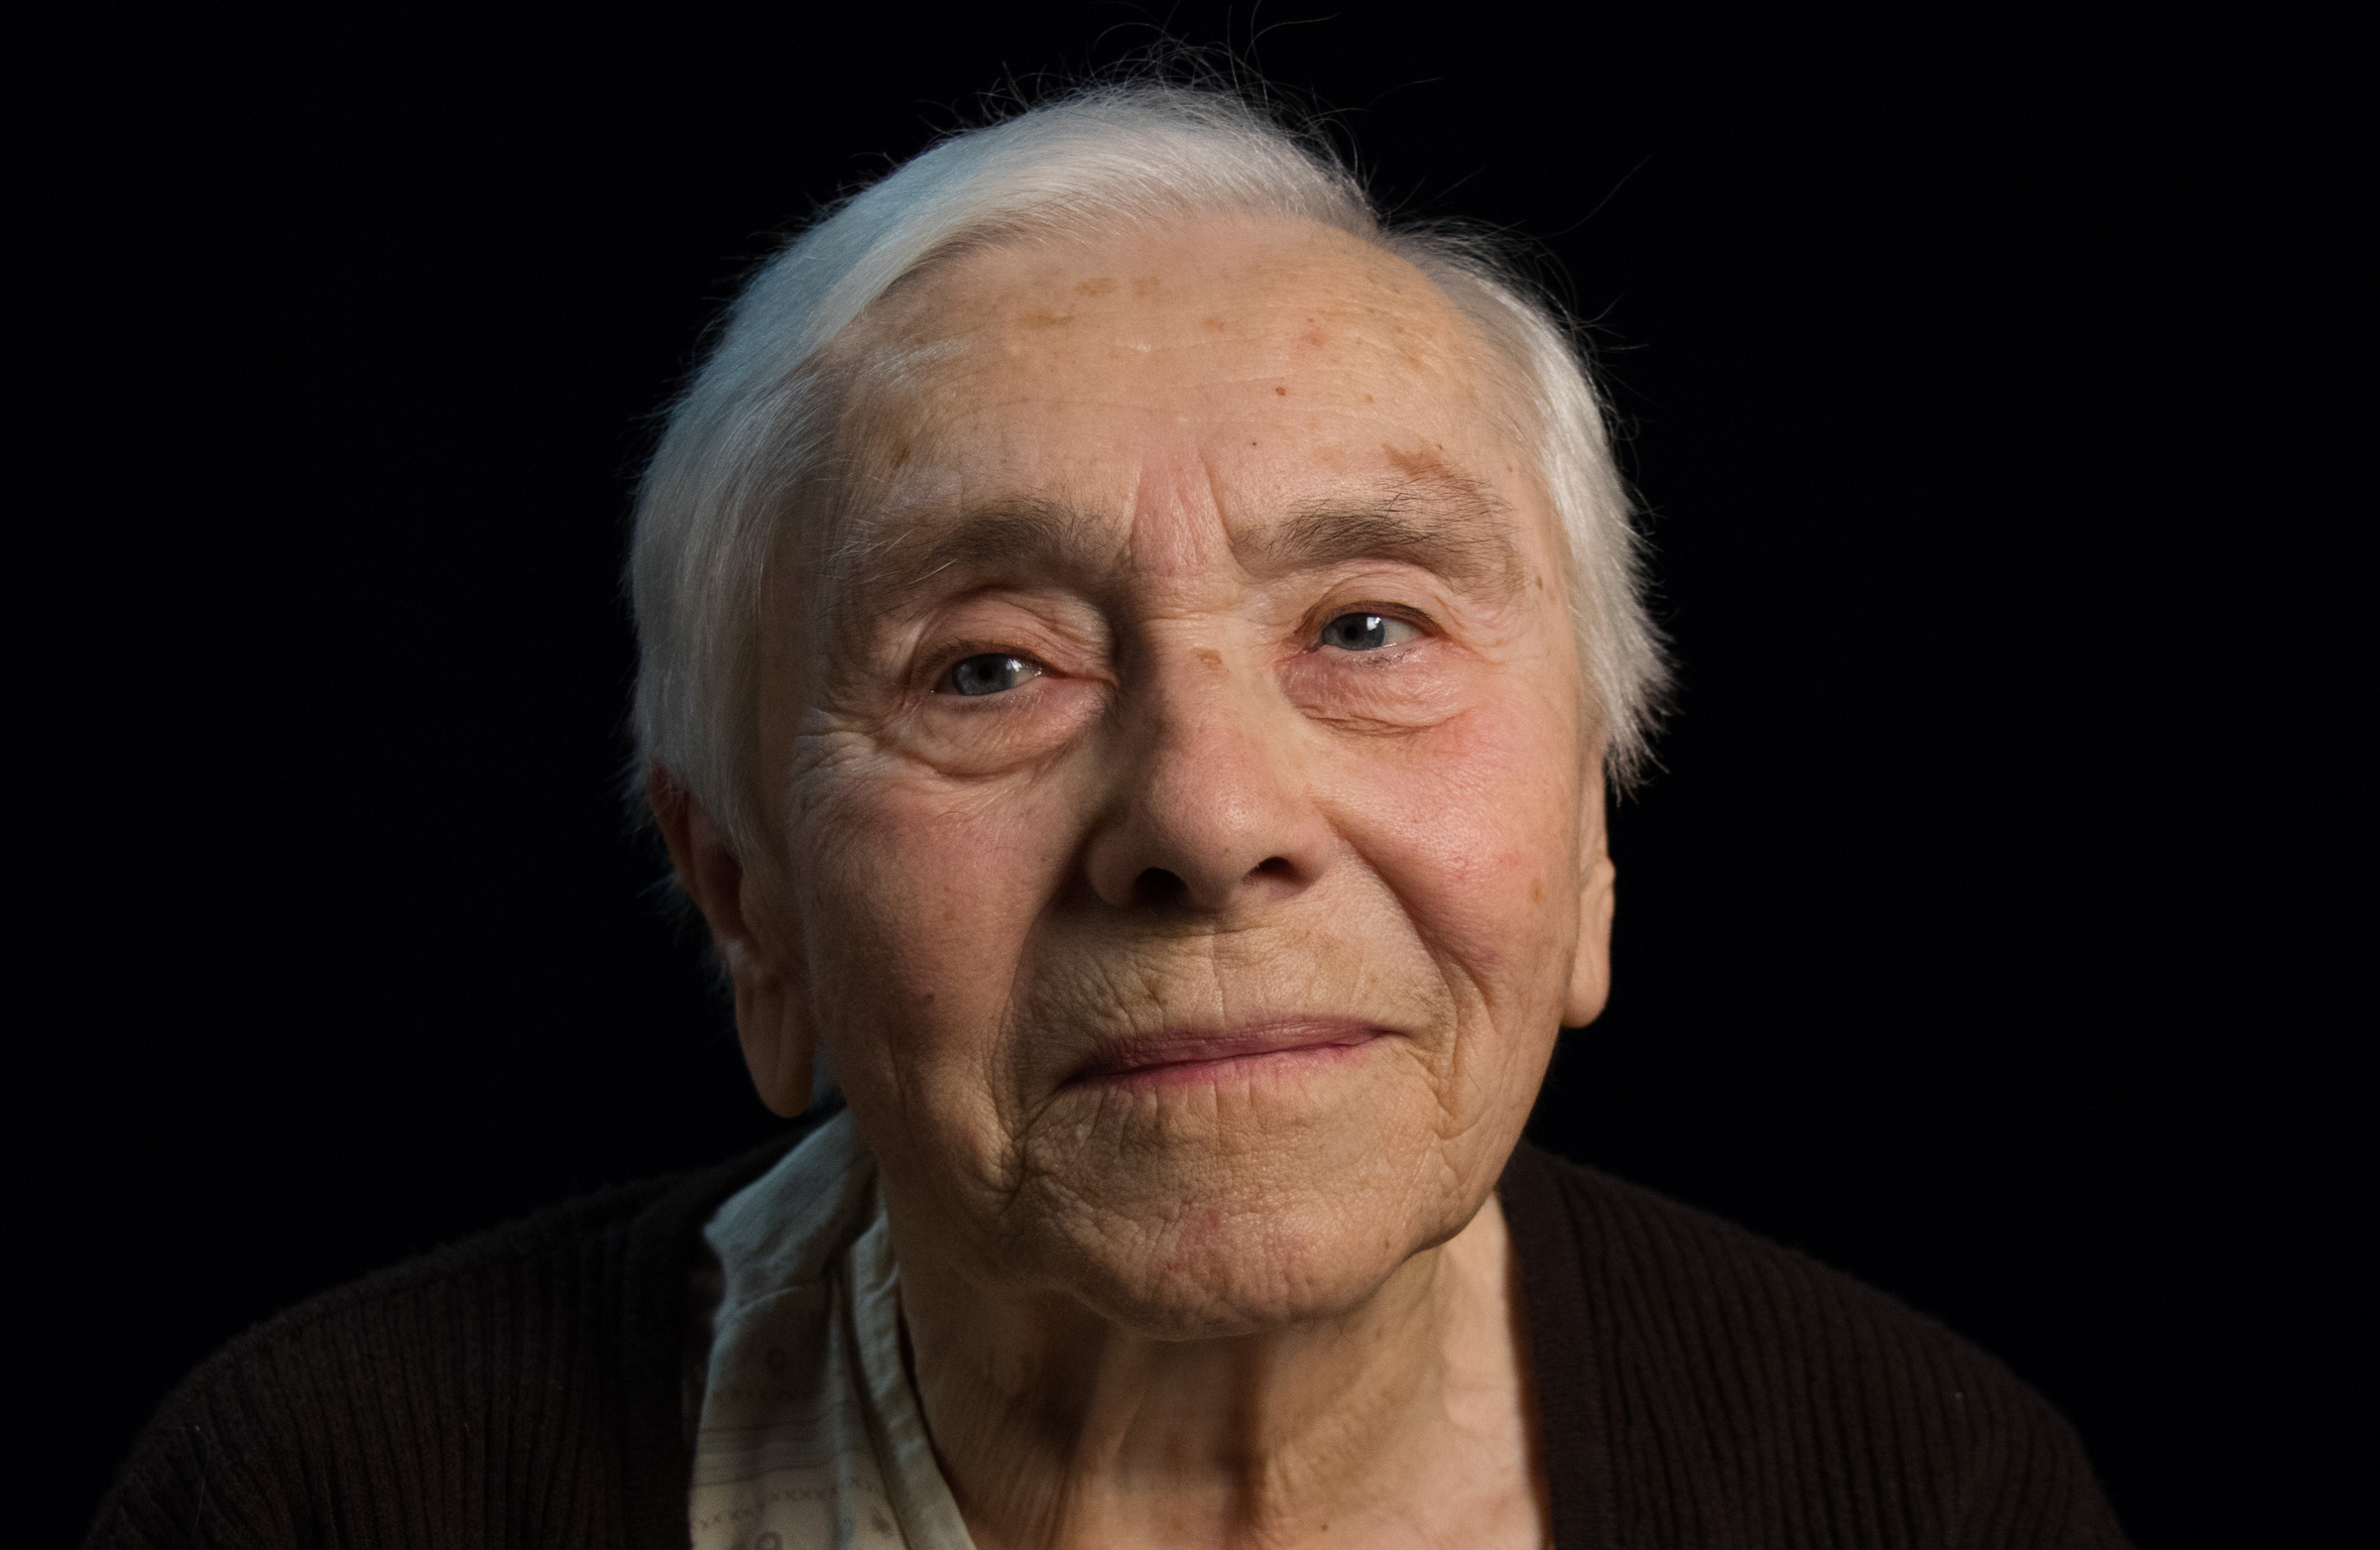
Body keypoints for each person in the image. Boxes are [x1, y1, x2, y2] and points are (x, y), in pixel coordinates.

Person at [90, 81, 2129, 1549]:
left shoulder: (1919, 1488)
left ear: (1590, 845)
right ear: (747, 904)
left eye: (1365, 626)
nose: (1211, 816)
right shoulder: (334, 1489)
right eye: (989, 667)